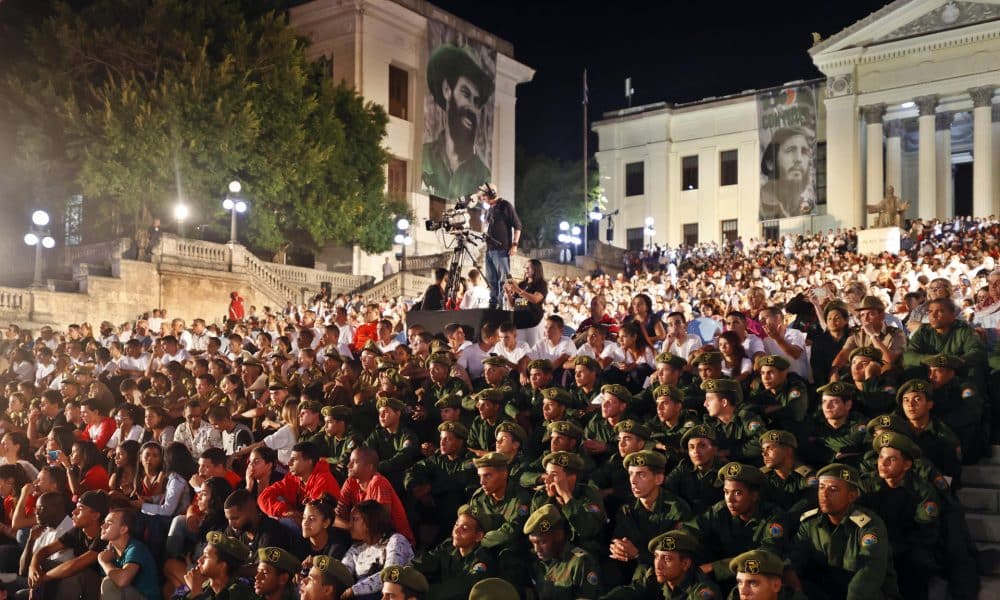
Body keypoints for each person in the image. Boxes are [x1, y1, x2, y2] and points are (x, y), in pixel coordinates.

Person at [421, 44, 494, 199]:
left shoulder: (483, 175)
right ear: (447, 90)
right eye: (465, 94)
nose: (471, 107)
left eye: (476, 101)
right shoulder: (426, 157)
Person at [25, 490, 109, 600]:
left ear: (95, 515)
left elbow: (75, 565)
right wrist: (33, 567)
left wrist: (43, 578)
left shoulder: (104, 536)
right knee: (43, 564)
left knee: (77, 575)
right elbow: (45, 551)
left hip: (98, 585)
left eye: (80, 509)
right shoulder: (78, 530)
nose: (73, 512)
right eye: (75, 507)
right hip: (79, 581)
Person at [522, 503, 601, 599]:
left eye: (542, 542)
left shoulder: (581, 562)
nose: (537, 549)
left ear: (559, 535)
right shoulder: (536, 560)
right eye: (533, 543)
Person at [97, 508, 160, 600]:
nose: (102, 526)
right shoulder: (108, 553)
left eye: (109, 523)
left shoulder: (136, 548)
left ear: (123, 529)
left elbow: (122, 580)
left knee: (109, 583)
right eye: (104, 522)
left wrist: (104, 562)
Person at [759, 126, 815, 220]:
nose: (798, 159)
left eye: (804, 152)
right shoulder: (756, 202)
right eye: (790, 150)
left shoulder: (806, 206)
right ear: (770, 163)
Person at [179, 531, 254, 600]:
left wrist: (196, 591)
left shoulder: (240, 592)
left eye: (206, 556)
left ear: (222, 566)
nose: (199, 560)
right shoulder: (203, 585)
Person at [482, 184, 522, 310]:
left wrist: (514, 245)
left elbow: (518, 226)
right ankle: (493, 305)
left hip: (501, 249)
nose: (482, 198)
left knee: (504, 280)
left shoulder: (505, 205)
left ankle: (503, 306)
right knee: (491, 280)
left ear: (491, 194)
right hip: (489, 250)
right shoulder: (489, 209)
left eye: (484, 195)